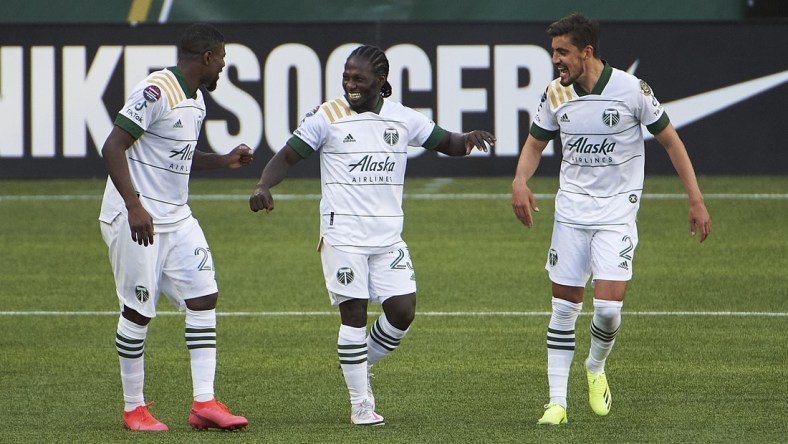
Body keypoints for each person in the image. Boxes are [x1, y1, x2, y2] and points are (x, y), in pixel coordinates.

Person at [249, 45, 495, 426]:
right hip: (342, 235)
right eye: (346, 77)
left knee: (402, 312)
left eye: (358, 79)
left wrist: (468, 139)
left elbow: (447, 142)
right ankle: (360, 403)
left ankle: (357, 364)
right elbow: (287, 156)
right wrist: (264, 186)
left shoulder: (402, 119)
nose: (350, 85)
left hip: (387, 238)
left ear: (380, 81)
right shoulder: (325, 117)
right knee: (355, 315)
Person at [511, 13, 712, 425]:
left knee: (606, 310)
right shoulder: (555, 94)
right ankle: (556, 403)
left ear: (587, 52)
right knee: (563, 309)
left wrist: (696, 200)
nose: (556, 61)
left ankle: (595, 367)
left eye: (563, 52)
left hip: (617, 214)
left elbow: (671, 142)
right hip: (570, 214)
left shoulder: (630, 91)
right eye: (553, 53)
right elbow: (534, 145)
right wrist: (519, 180)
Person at [99, 23, 251, 432]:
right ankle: (134, 409)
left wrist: (223, 161)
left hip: (176, 216)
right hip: (136, 217)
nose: (223, 66)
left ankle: (204, 403)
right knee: (137, 310)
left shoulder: (196, 99)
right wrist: (134, 206)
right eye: (221, 58)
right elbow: (112, 146)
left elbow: (178, 156)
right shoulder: (156, 90)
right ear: (206, 58)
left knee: (203, 296)